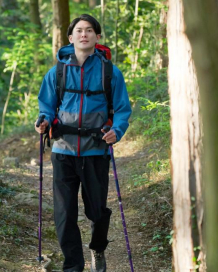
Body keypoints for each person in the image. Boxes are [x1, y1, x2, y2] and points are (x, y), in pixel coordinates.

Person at [35, 14, 132, 272]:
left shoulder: (110, 72)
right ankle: (73, 267)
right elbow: (46, 106)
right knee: (65, 215)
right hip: (63, 150)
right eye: (79, 30)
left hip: (95, 150)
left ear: (97, 37)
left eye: (89, 30)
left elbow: (122, 109)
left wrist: (117, 130)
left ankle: (98, 249)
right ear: (71, 37)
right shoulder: (56, 72)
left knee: (97, 212)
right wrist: (43, 121)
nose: (84, 34)